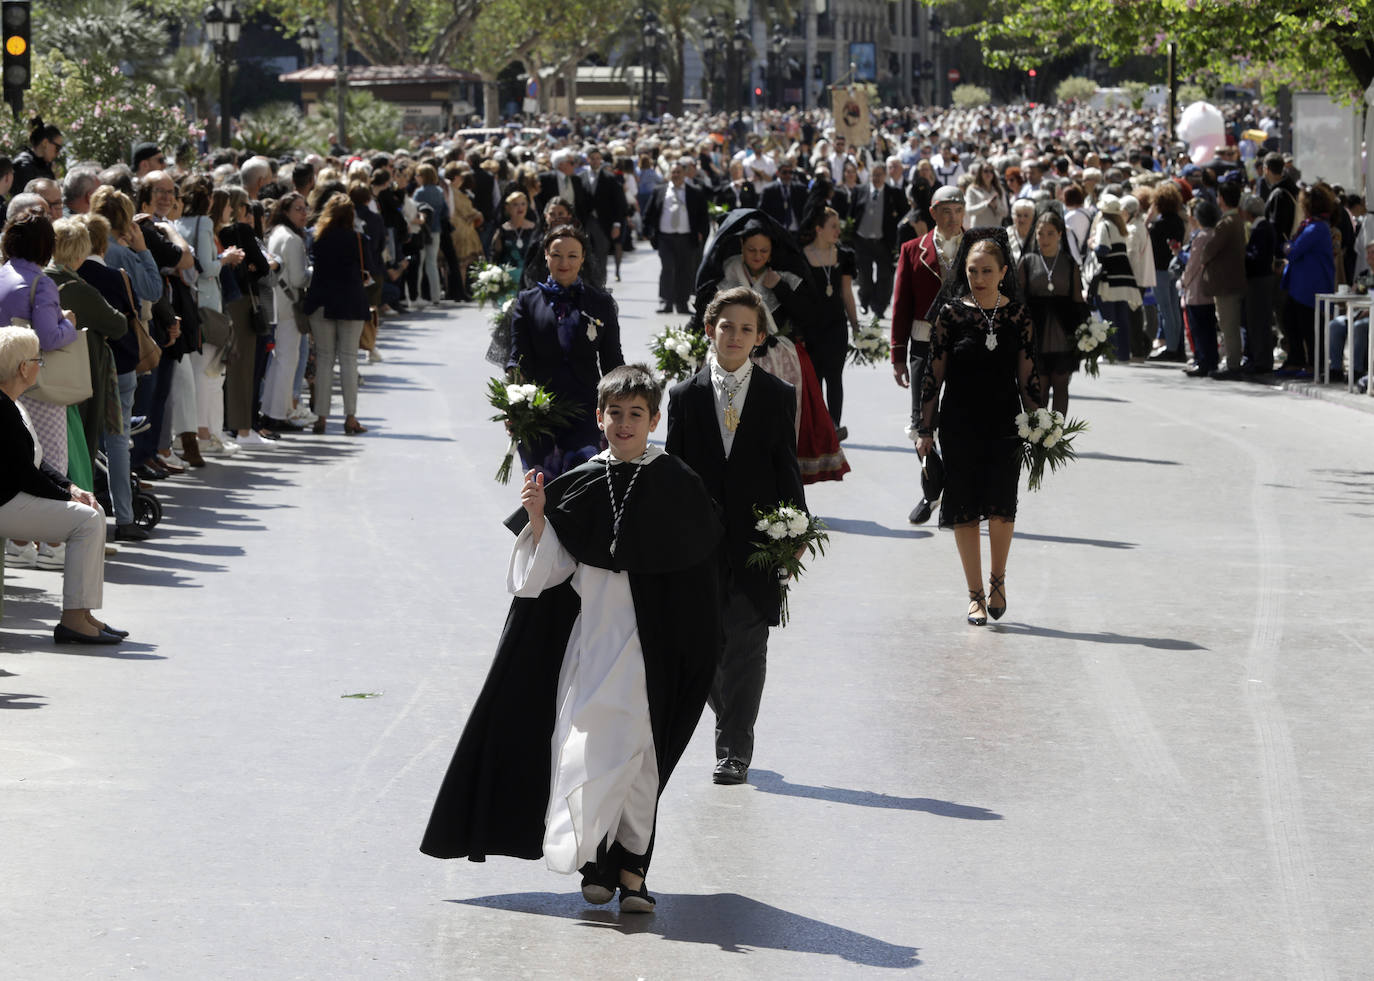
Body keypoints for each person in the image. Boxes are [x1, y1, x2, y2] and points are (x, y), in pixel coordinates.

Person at [421, 364, 723, 914]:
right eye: (615, 413)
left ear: (655, 419)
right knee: (584, 751)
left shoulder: (679, 484)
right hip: (591, 647)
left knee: (638, 759)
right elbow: (550, 573)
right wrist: (539, 520)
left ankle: (632, 869)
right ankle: (594, 862)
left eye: (637, 414)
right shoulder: (581, 480)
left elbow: (699, 581)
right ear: (599, 417)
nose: (625, 424)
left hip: (651, 651)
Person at [666, 287, 806, 787]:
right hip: (698, 545)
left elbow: (785, 468)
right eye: (727, 326)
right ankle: (728, 716)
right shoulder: (684, 396)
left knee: (746, 645)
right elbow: (675, 472)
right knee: (700, 648)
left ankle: (734, 748)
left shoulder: (776, 396)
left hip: (756, 542)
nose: (735, 335)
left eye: (747, 328)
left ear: (760, 337)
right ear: (710, 329)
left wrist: (795, 531)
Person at [915, 230, 1043, 626]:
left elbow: (1029, 376)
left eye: (987, 270)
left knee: (1003, 505)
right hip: (959, 425)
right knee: (964, 507)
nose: (979, 277)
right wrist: (925, 429)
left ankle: (997, 581)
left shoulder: (1018, 316)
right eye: (972, 270)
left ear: (1003, 272)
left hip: (1005, 423)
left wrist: (1039, 425)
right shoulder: (950, 314)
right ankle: (974, 596)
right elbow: (933, 374)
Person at [689, 209, 847, 483]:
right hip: (730, 357)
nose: (758, 256)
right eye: (752, 250)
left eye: (764, 250)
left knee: (779, 425)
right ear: (741, 246)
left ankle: (779, 482)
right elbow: (706, 311)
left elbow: (809, 315)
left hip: (777, 359)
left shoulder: (785, 275)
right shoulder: (727, 272)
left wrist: (780, 288)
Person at [0, 325, 127, 644]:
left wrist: (71, 489)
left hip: (13, 494)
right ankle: (73, 618)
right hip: (5, 501)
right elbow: (24, 473)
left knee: (92, 512)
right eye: (37, 359)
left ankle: (82, 613)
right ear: (22, 368)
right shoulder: (3, 409)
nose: (40, 364)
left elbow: (36, 462)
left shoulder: (14, 403)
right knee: (86, 519)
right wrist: (64, 496)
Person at [506, 224, 624, 478]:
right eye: (556, 254)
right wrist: (513, 407)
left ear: (582, 258)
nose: (564, 262)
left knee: (582, 484)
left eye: (572, 255)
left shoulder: (600, 303)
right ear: (546, 255)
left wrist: (621, 405)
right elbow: (517, 358)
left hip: (586, 408)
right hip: (539, 410)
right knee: (542, 488)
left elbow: (613, 361)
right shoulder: (527, 302)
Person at [892, 184, 964, 524]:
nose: (952, 218)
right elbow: (902, 303)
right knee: (922, 425)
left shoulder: (979, 248)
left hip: (967, 345)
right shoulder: (912, 249)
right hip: (923, 343)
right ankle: (932, 489)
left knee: (958, 422)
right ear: (933, 213)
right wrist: (897, 354)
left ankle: (954, 497)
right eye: (946, 211)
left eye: (958, 211)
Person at [302, 192, 371, 435]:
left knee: (324, 360)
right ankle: (350, 417)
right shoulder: (359, 239)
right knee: (349, 360)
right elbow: (368, 270)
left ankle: (321, 417)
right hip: (351, 303)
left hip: (321, 302)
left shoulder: (317, 238)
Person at [1018, 211, 1087, 415]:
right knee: (1039, 386)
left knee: (1061, 384)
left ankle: (1057, 437)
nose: (1045, 239)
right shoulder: (1027, 261)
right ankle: (1039, 436)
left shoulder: (1069, 263)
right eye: (1040, 233)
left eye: (1050, 233)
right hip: (1035, 331)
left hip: (1062, 331)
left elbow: (1077, 298)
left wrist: (1086, 329)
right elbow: (1018, 298)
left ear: (1059, 234)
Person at [801, 206, 860, 436]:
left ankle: (834, 427)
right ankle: (817, 426)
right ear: (818, 229)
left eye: (839, 226)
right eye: (833, 226)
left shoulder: (844, 255)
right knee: (814, 378)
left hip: (836, 324)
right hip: (810, 326)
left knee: (835, 376)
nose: (838, 230)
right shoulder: (802, 255)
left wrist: (855, 325)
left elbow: (846, 292)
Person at [260, 193, 312, 429]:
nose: (304, 213)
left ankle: (272, 410)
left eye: (305, 208)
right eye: (298, 209)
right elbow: (299, 279)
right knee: (286, 361)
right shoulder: (293, 239)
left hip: (275, 303)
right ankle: (278, 414)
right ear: (286, 211)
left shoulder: (276, 233)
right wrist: (313, 271)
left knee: (279, 360)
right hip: (289, 306)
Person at [1277, 182, 1336, 375]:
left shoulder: (1315, 228)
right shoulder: (1312, 226)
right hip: (1300, 285)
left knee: (1309, 327)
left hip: (1310, 286)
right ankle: (1297, 360)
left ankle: (1315, 364)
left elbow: (1293, 251)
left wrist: (1287, 247)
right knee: (1291, 321)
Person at [642, 161, 708, 315]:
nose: (676, 175)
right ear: (669, 174)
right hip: (665, 238)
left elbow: (702, 216)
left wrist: (701, 233)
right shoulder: (660, 191)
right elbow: (649, 212)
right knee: (668, 268)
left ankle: (682, 304)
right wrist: (647, 230)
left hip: (687, 238)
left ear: (684, 174)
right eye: (673, 172)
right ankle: (667, 302)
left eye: (679, 172)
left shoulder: (695, 192)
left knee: (685, 271)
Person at [847, 159, 905, 318]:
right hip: (862, 241)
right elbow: (850, 215)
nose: (876, 178)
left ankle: (879, 307)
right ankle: (865, 302)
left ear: (885, 176)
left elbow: (903, 216)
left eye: (879, 175)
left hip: (884, 242)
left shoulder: (894, 193)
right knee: (864, 276)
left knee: (885, 277)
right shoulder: (859, 190)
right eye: (873, 175)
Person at [1089, 195, 1141, 363]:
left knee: (1108, 318)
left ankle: (1110, 354)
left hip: (1109, 278)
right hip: (1124, 278)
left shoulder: (1104, 225)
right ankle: (1123, 354)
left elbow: (1102, 249)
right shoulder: (1120, 226)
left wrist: (1091, 245)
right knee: (1121, 318)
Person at [490, 191, 539, 287]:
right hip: (508, 278)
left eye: (523, 204)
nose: (520, 207)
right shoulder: (502, 230)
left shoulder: (535, 229)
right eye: (515, 204)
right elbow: (495, 255)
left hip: (529, 278)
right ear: (508, 208)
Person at [964, 162, 1008, 229]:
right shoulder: (972, 189)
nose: (989, 173)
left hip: (995, 230)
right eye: (985, 171)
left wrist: (996, 206)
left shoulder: (999, 189)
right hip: (978, 230)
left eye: (991, 171)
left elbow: (1005, 213)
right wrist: (986, 204)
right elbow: (969, 211)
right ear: (980, 173)